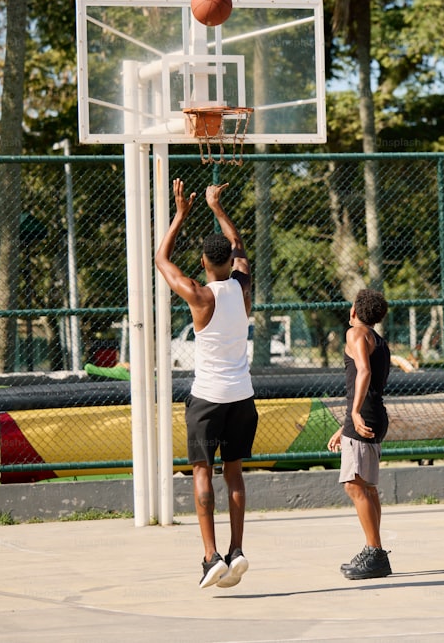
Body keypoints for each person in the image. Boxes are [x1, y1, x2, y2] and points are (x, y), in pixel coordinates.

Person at [155, 179, 258, 590]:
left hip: (208, 399)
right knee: (234, 474)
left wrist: (180, 213)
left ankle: (210, 556)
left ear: (203, 262)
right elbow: (240, 246)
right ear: (229, 262)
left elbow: (161, 259)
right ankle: (237, 550)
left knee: (202, 471)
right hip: (243, 398)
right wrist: (218, 207)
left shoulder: (200, 296)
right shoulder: (242, 286)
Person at [326, 289, 392, 580]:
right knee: (366, 486)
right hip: (373, 414)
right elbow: (369, 384)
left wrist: (353, 414)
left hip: (364, 415)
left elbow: (363, 372)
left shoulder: (356, 334)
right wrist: (346, 426)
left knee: (354, 485)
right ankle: (375, 552)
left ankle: (374, 551)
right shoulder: (379, 340)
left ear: (354, 311)